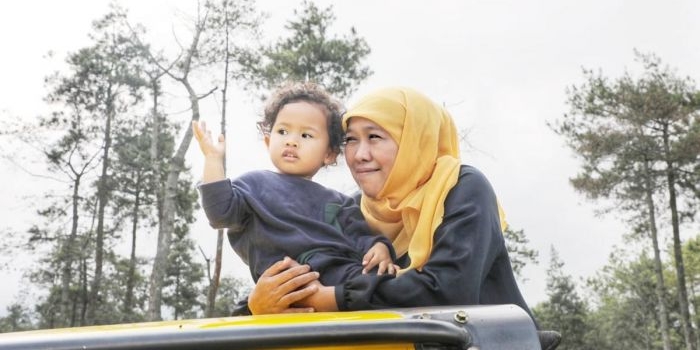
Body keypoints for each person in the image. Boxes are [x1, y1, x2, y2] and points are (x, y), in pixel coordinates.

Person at [243, 86, 535, 320]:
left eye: (375, 137)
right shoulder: (351, 211)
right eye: (351, 140)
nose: (359, 154)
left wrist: (332, 297)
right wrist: (257, 305)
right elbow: (303, 268)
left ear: (413, 141)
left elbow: (448, 291)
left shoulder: (461, 187)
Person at [193, 82, 396, 288]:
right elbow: (219, 213)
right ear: (267, 141)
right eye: (282, 132)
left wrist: (379, 247)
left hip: (338, 273)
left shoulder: (340, 202)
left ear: (329, 154)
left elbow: (360, 237)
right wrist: (212, 159)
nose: (291, 141)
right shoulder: (253, 185)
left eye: (306, 135)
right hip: (283, 280)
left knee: (387, 281)